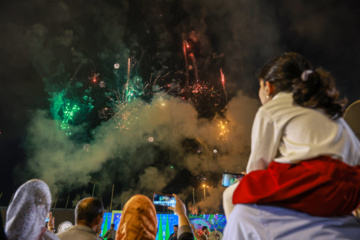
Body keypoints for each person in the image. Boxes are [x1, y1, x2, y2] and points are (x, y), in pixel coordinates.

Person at [223, 52, 360, 239]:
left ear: (268, 87)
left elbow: (257, 166)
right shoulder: (325, 107)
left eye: (259, 87)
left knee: (231, 195)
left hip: (317, 182)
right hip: (351, 189)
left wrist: (252, 185)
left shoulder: (271, 109)